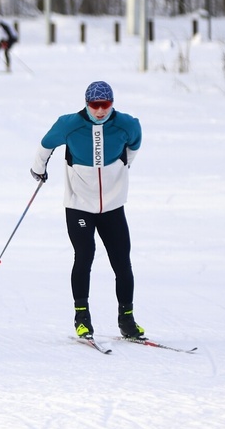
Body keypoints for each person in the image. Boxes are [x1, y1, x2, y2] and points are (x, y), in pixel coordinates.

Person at [30, 81, 145, 341]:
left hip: (113, 204)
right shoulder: (69, 124)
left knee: (121, 260)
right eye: (95, 105)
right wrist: (39, 168)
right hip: (79, 203)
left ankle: (127, 320)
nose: (101, 111)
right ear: (87, 103)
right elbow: (45, 145)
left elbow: (134, 147)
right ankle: (82, 317)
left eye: (106, 105)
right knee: (85, 254)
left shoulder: (127, 124)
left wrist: (120, 168)